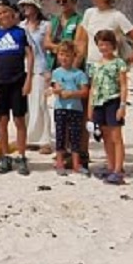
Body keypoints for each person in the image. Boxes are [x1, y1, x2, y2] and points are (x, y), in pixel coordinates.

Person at [73, 0, 133, 168]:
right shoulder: (89, 14)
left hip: (109, 71)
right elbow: (81, 41)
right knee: (87, 115)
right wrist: (74, 66)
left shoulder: (117, 16)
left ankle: (115, 164)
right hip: (90, 68)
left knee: (110, 119)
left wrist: (126, 60)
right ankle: (84, 155)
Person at [0, 0, 34, 175]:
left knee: (19, 120)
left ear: (12, 13)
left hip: (18, 80)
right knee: (2, 120)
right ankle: (5, 156)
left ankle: (21, 156)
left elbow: (30, 55)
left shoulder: (21, 32)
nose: (3, 15)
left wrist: (29, 79)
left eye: (6, 12)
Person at [89, 30, 130, 185]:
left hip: (113, 101)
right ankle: (110, 165)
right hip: (99, 103)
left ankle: (118, 170)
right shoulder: (95, 65)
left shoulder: (119, 63)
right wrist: (90, 108)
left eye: (107, 44)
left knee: (116, 137)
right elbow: (93, 87)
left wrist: (123, 105)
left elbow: (124, 85)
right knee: (106, 137)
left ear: (113, 45)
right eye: (101, 44)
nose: (104, 47)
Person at [18, 0, 54, 155]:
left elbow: (47, 47)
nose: (25, 8)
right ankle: (30, 138)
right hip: (23, 67)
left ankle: (44, 140)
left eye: (28, 5)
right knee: (26, 103)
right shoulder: (20, 26)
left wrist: (49, 70)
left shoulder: (46, 26)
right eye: (24, 5)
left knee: (40, 102)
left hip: (40, 66)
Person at [49, 42, 89, 175]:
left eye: (67, 55)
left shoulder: (79, 74)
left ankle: (76, 164)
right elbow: (54, 87)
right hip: (60, 107)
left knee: (75, 136)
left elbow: (85, 92)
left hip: (75, 108)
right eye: (61, 55)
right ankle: (59, 162)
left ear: (73, 56)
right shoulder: (56, 72)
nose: (64, 58)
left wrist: (72, 93)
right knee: (60, 135)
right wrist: (56, 90)